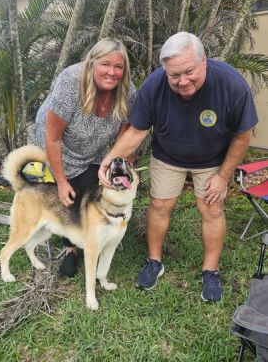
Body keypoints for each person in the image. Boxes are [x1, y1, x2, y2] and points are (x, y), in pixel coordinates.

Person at [98, 32, 258, 302]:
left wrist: (222, 177)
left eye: (189, 71)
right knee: (159, 206)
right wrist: (109, 159)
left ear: (203, 60)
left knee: (211, 208)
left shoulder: (231, 84)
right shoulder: (154, 86)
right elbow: (137, 131)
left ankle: (211, 271)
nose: (182, 81)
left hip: (213, 159)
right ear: (165, 72)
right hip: (168, 156)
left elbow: (243, 136)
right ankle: (154, 261)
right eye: (174, 75)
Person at [34, 38, 136, 278]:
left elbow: (125, 137)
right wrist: (60, 181)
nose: (112, 72)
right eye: (105, 64)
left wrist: (122, 167)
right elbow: (53, 139)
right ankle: (70, 249)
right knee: (67, 196)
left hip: (95, 146)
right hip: (58, 143)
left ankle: (95, 233)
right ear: (91, 64)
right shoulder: (71, 82)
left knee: (92, 188)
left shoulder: (128, 91)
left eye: (118, 67)